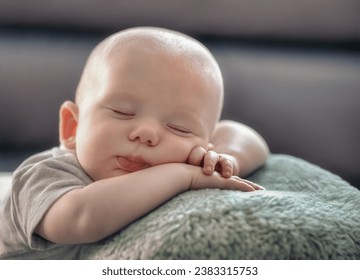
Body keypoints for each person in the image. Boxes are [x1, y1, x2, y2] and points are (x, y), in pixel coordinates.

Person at [0, 27, 268, 257]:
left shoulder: (198, 154)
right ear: (73, 126)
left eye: (179, 128)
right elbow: (82, 218)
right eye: (122, 112)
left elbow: (245, 136)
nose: (146, 133)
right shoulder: (41, 176)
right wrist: (182, 174)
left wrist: (223, 161)